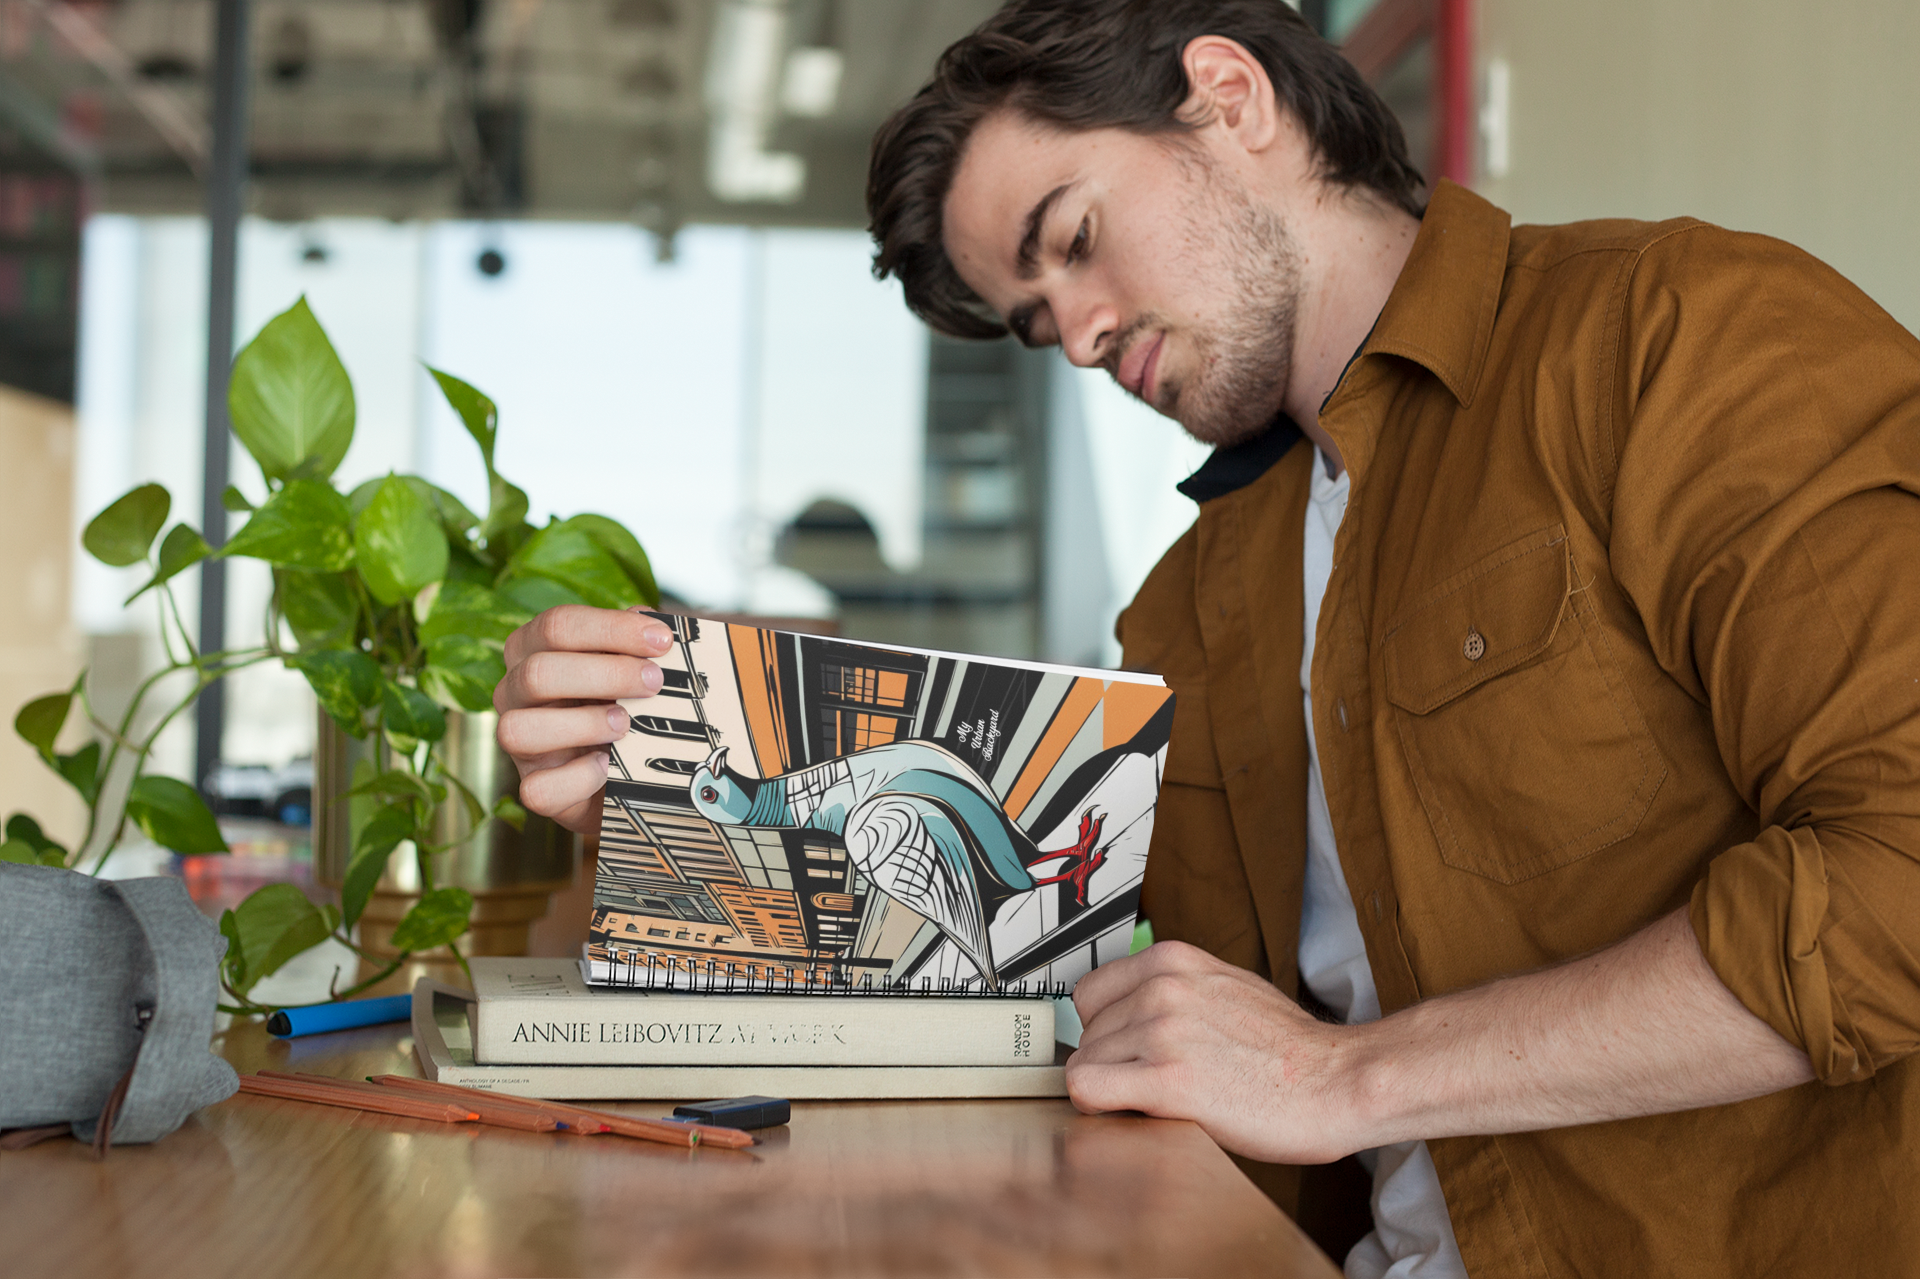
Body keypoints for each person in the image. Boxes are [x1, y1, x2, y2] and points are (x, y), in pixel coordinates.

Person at [496, 2, 1920, 1275]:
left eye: (1074, 239)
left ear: (1231, 97)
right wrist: (676, 773)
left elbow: (1900, 877)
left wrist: (1347, 1077)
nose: (1077, 332)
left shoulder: (1679, 339)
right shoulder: (1187, 600)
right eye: (1035, 318)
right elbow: (1041, 962)